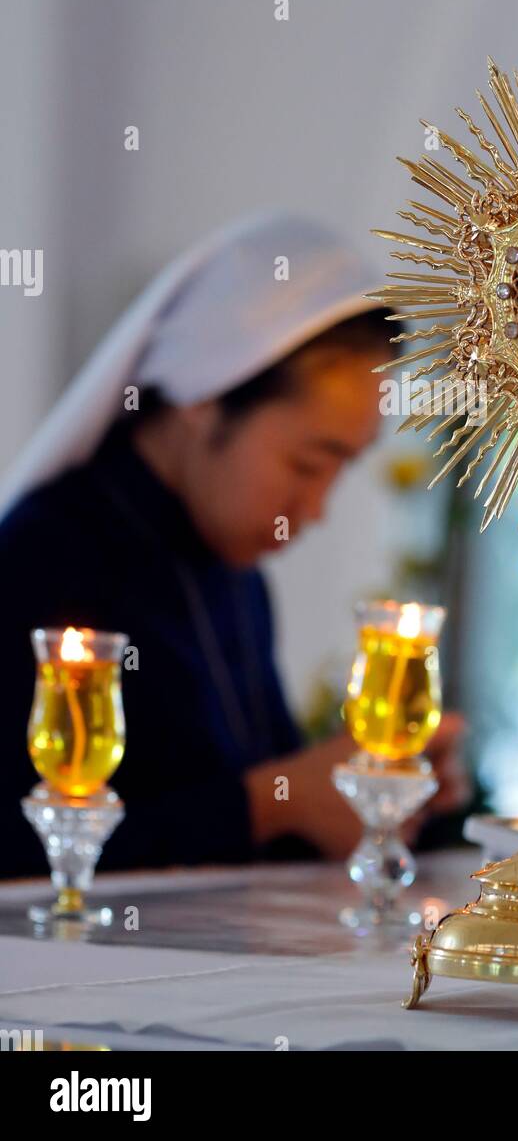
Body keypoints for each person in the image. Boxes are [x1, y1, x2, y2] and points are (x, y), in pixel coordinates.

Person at [0, 211, 468, 877]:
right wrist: (271, 805)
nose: (314, 509)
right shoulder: (43, 555)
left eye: (344, 468)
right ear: (204, 400)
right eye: (307, 464)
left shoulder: (236, 573)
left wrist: (367, 791)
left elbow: (258, 839)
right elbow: (16, 849)